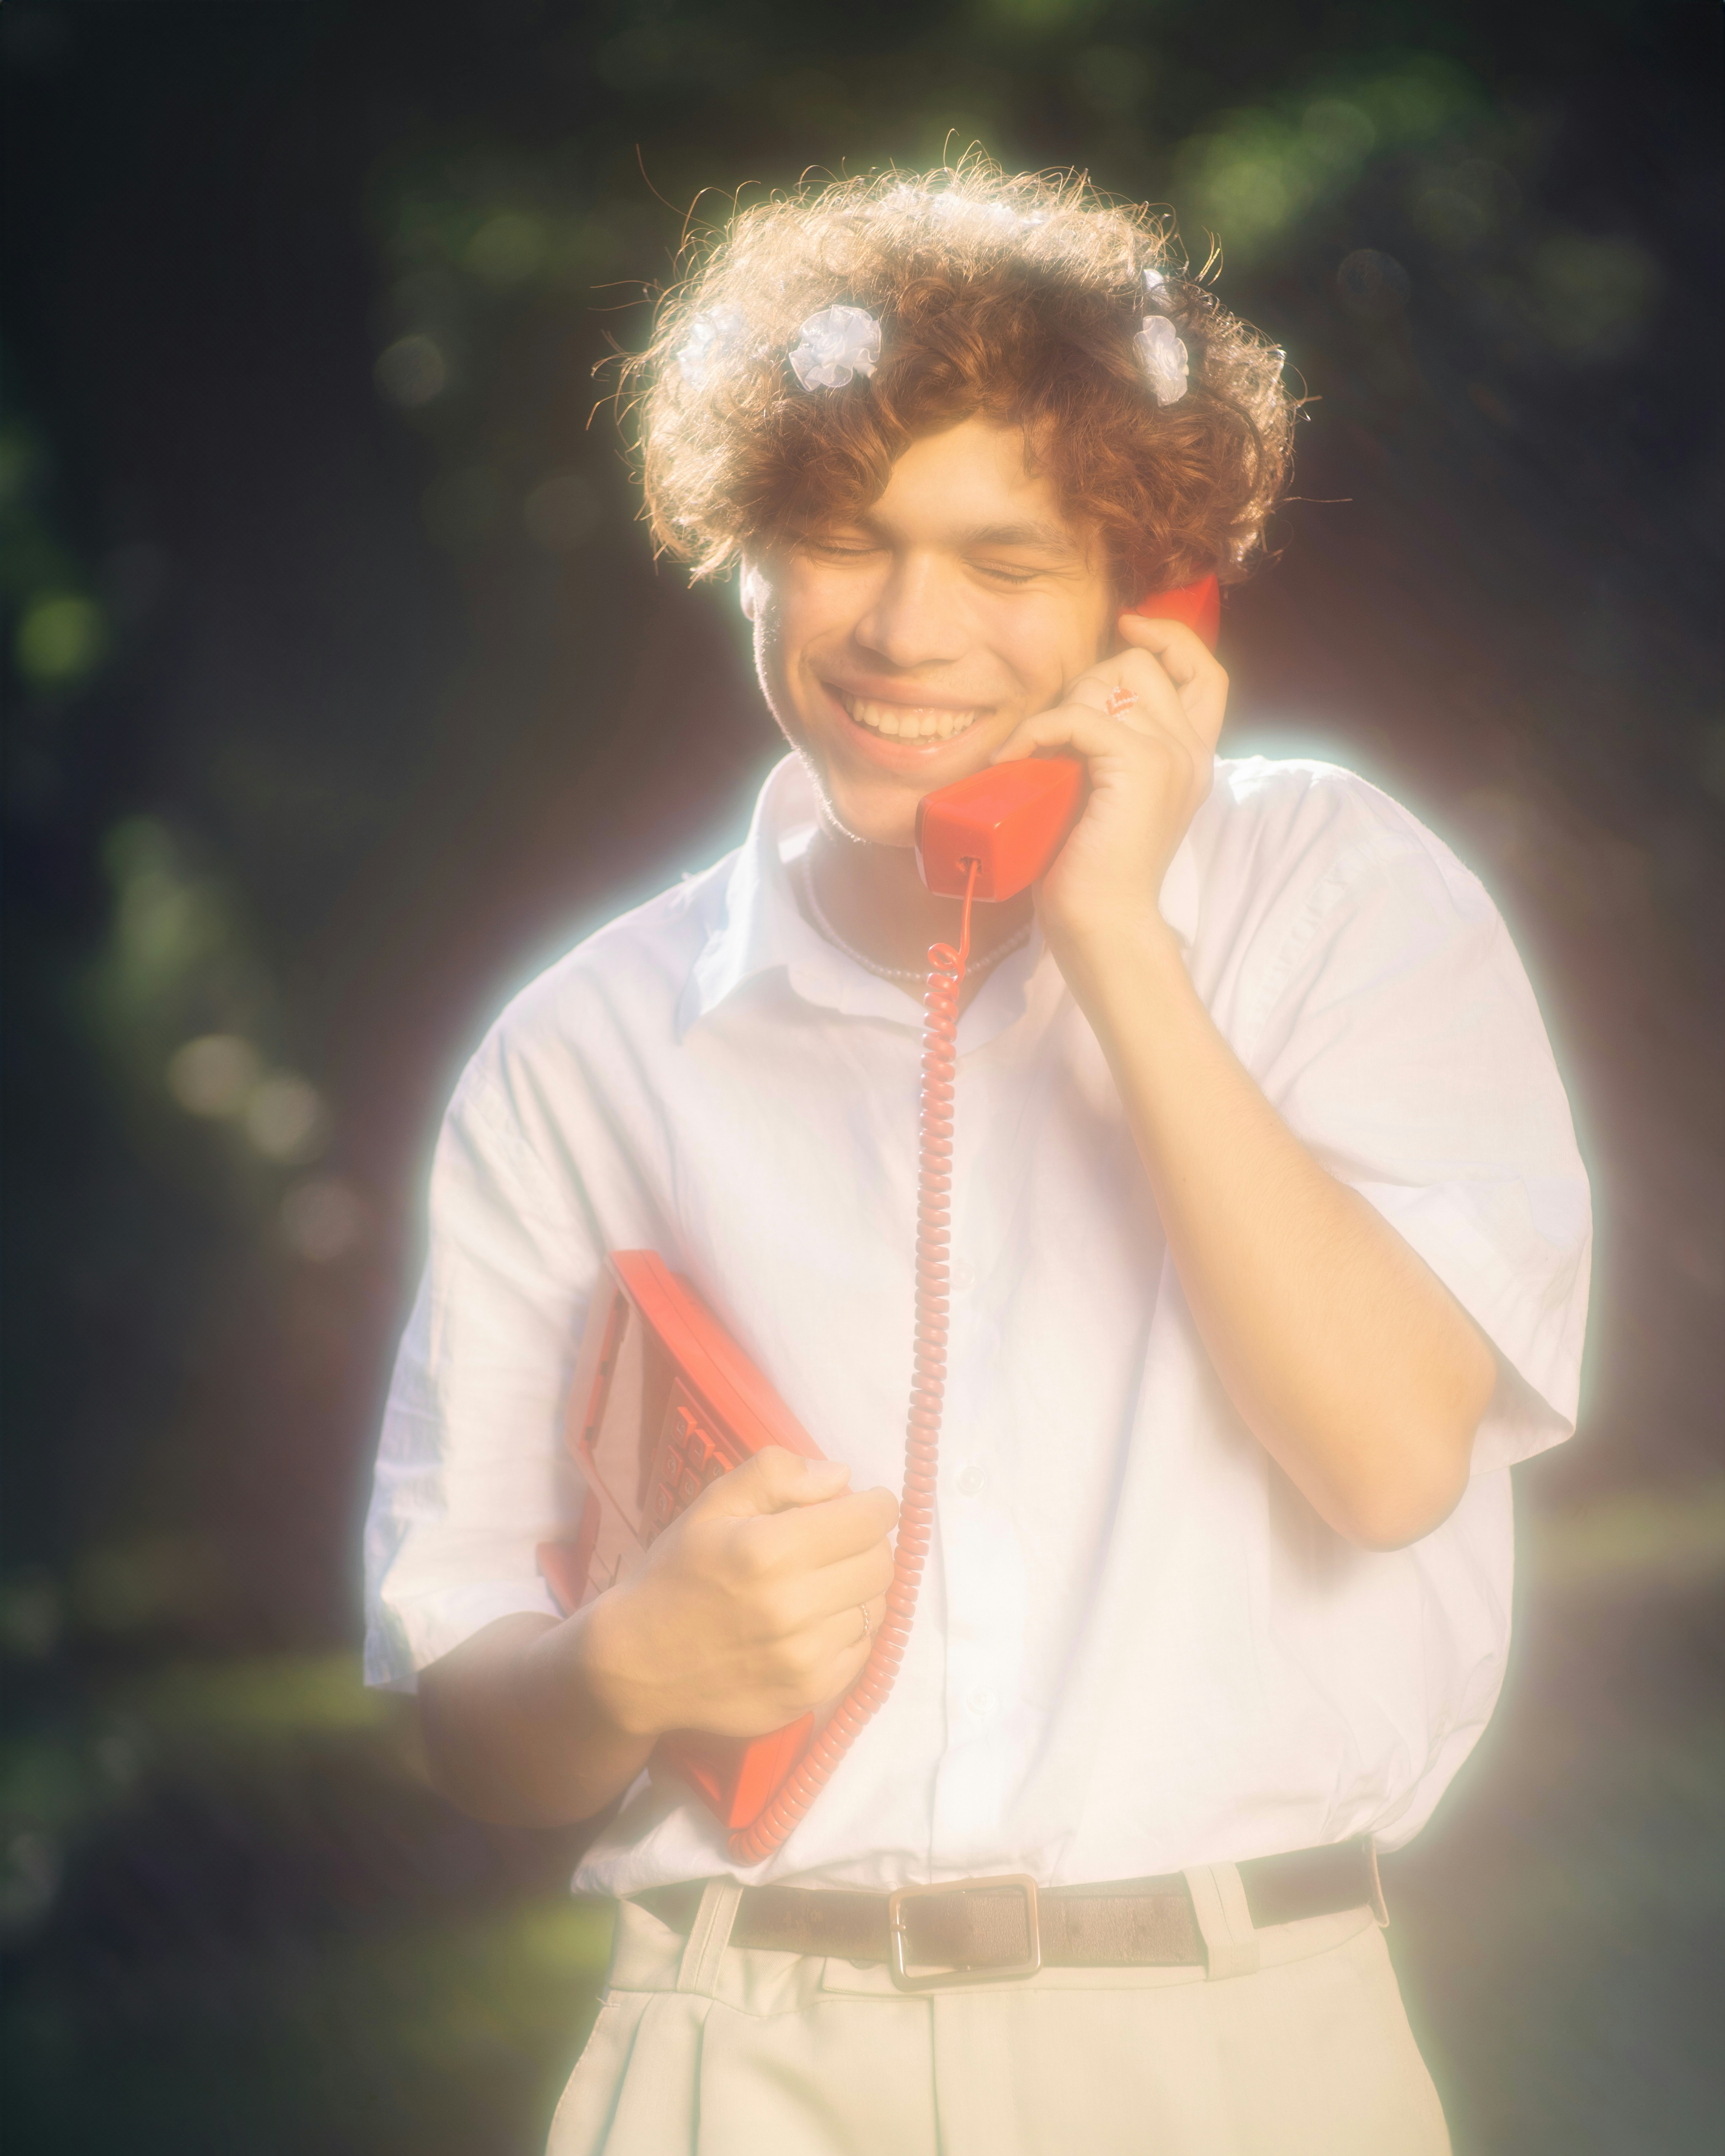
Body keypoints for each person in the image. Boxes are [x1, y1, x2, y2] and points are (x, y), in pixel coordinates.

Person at [363, 163, 1591, 2154]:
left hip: (1238, 2051)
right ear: (745, 551)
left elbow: (1388, 1462)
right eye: (840, 541)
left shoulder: (1340, 899)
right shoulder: (582, 1049)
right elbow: (469, 1723)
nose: (906, 629)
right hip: (748, 2053)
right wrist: (624, 1667)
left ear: (1145, 599)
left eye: (1005, 560)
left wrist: (1115, 938)